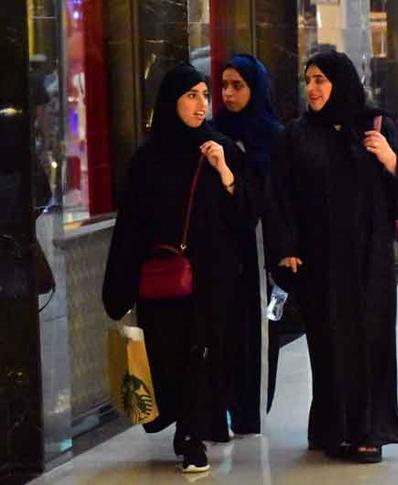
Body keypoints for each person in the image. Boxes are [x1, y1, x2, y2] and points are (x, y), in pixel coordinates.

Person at [266, 50, 398, 463]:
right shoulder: (296, 136)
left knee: (371, 343)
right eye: (308, 80)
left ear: (340, 83)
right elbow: (279, 196)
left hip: (370, 262)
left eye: (321, 80)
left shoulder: (376, 127)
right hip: (319, 263)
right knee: (326, 345)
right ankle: (333, 428)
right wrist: (285, 249)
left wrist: (390, 160)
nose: (313, 88)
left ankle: (368, 430)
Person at [103, 64, 246, 473]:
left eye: (205, 95)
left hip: (210, 277)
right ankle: (184, 426)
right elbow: (131, 226)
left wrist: (226, 173)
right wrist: (120, 285)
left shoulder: (219, 149)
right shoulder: (147, 160)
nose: (202, 104)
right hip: (162, 280)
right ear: (172, 102)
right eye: (191, 95)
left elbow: (246, 211)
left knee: (202, 353)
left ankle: (191, 437)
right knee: (167, 355)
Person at [213, 54, 283, 432]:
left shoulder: (273, 136)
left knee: (257, 330)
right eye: (224, 85)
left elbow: (279, 196)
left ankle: (250, 412)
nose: (228, 93)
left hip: (259, 249)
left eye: (237, 86)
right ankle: (222, 407)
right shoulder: (213, 133)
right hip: (221, 247)